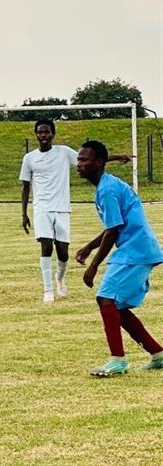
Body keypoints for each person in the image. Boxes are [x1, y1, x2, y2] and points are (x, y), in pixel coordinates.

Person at [74, 140, 163, 377]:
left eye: (85, 160)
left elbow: (113, 231)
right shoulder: (106, 185)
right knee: (117, 307)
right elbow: (114, 226)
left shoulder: (107, 190)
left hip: (136, 250)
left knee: (106, 299)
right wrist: (89, 247)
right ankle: (158, 353)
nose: (79, 164)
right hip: (137, 249)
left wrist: (93, 266)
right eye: (78, 160)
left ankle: (118, 360)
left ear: (100, 163)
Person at [20, 119, 129, 303]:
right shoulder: (29, 158)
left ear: (52, 134)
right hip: (41, 208)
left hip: (62, 208)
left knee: (62, 251)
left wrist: (117, 157)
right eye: (40, 132)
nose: (43, 136)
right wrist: (24, 213)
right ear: (36, 135)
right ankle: (47, 290)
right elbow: (25, 187)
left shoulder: (63, 152)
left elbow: (90, 159)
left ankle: (60, 278)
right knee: (46, 246)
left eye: (46, 132)